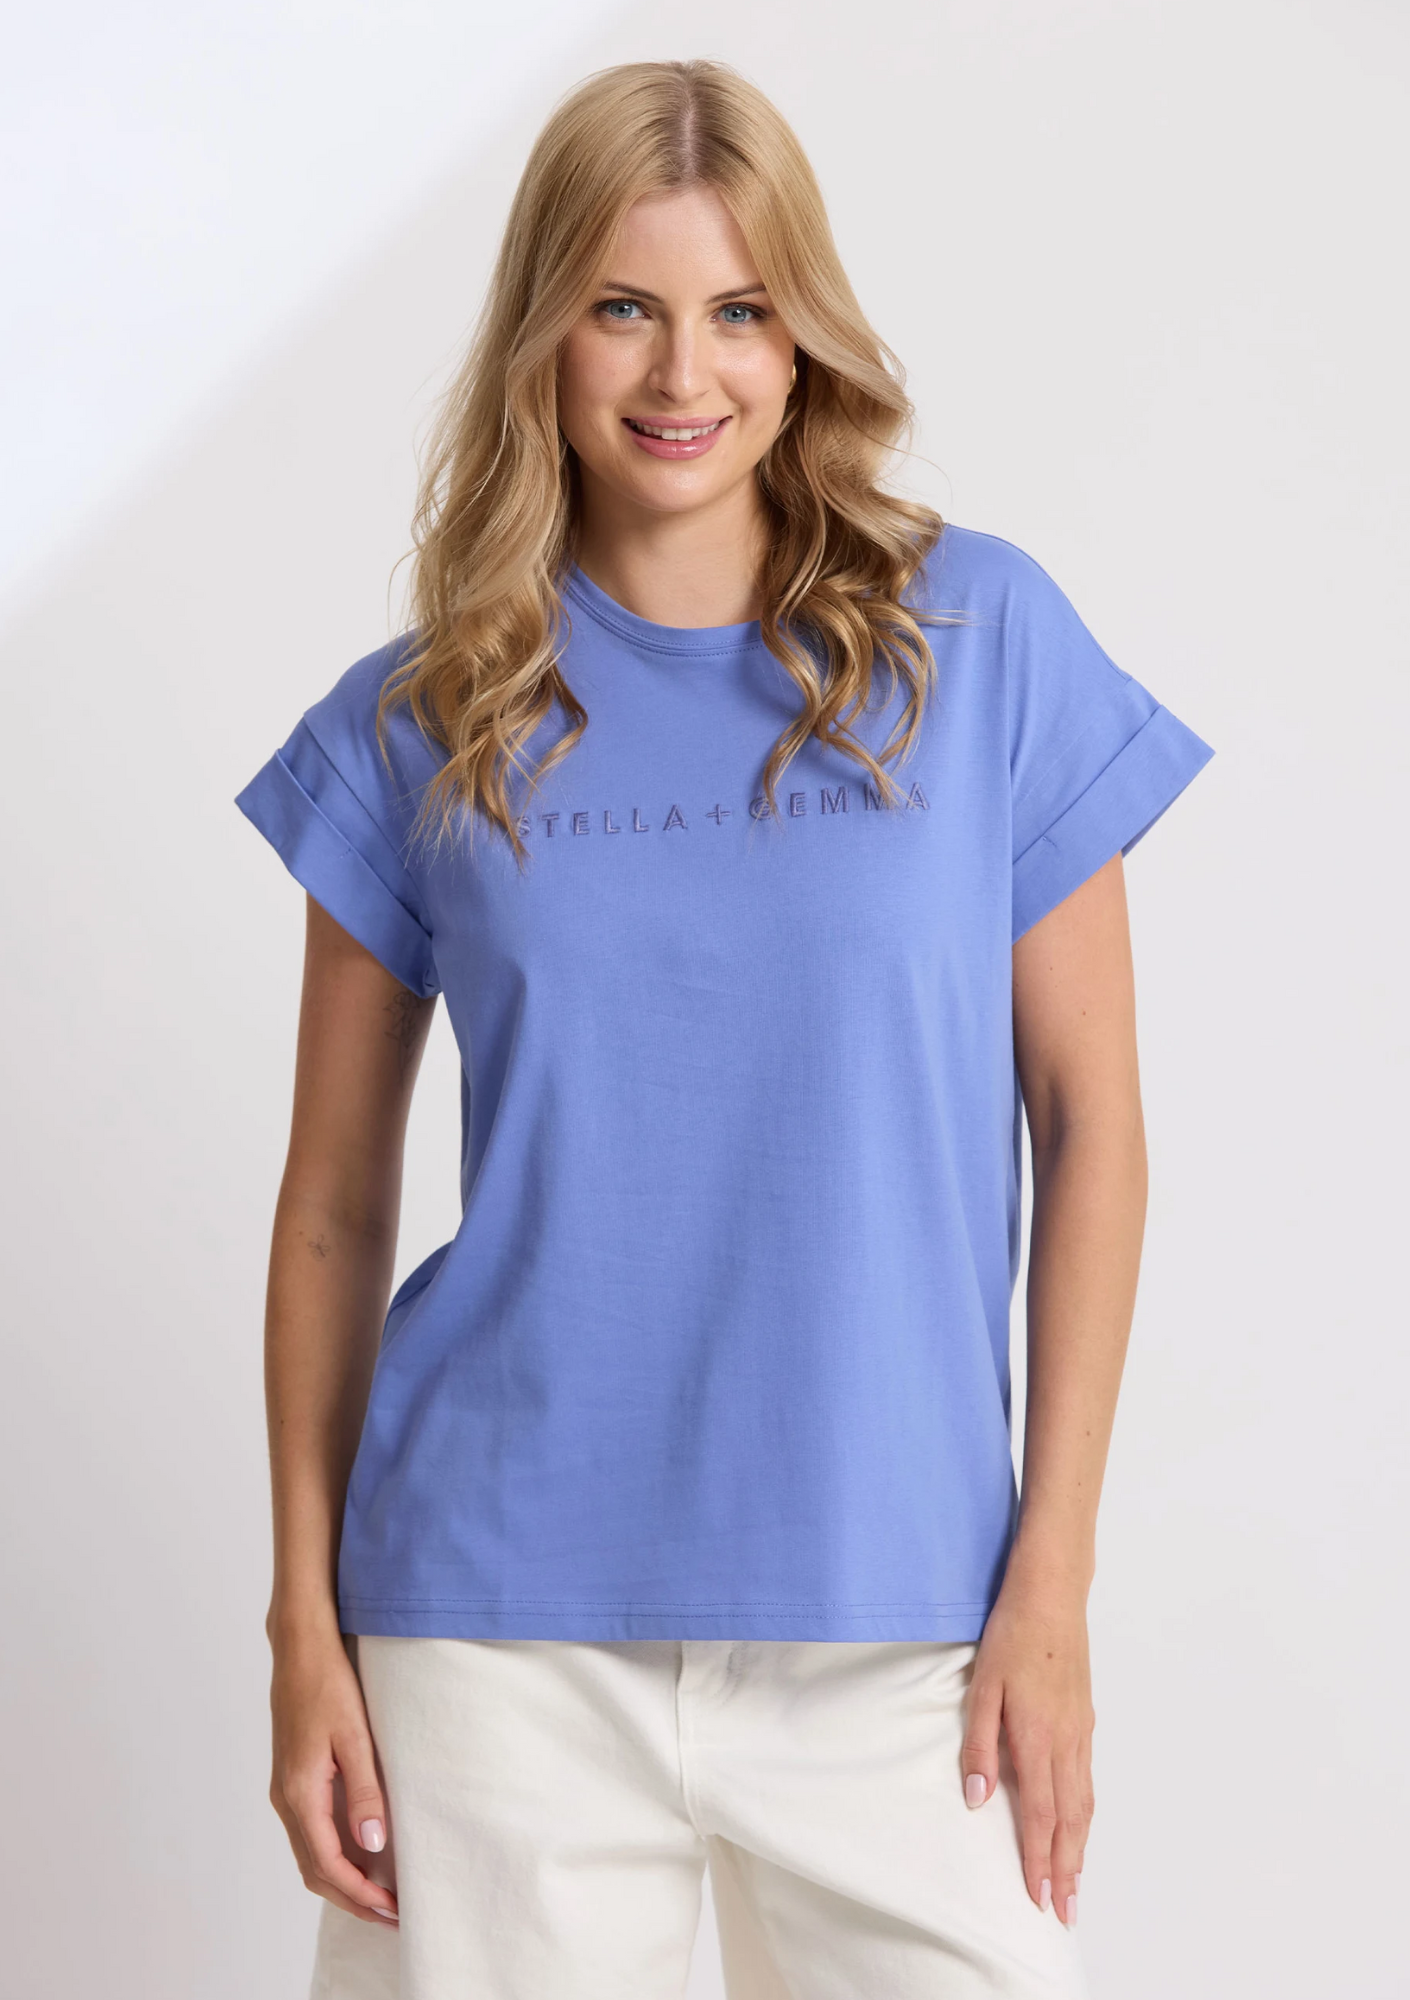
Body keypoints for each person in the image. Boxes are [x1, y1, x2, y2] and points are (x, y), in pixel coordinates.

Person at [235, 57, 1213, 2000]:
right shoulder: (421, 715)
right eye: (623, 306)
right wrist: (300, 1625)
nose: (683, 371)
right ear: (541, 335)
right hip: (494, 1633)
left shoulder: (980, 646)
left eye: (740, 310)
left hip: (902, 1623)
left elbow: (1093, 1127)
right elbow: (332, 1206)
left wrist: (1054, 1582)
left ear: (801, 338)